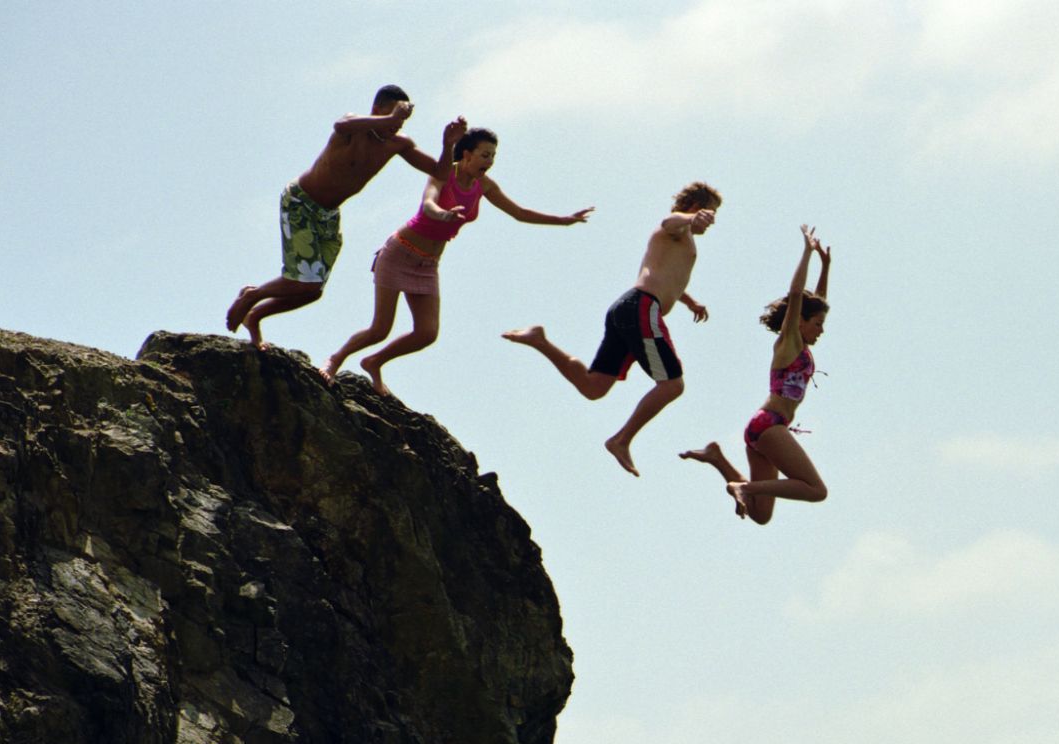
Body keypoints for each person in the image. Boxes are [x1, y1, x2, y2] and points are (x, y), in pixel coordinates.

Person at [321, 128, 591, 395]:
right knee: (380, 328)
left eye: (493, 156)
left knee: (427, 333)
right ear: (466, 154)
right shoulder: (444, 172)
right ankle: (334, 359)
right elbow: (428, 203)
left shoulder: (483, 185)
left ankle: (374, 362)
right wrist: (442, 214)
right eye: (485, 155)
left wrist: (564, 220)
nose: (490, 162)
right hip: (400, 252)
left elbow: (519, 212)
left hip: (427, 265)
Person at [502, 182, 722, 476]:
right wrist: (690, 219)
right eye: (711, 213)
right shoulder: (675, 228)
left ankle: (540, 340)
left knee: (594, 388)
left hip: (629, 309)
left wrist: (689, 301)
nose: (712, 221)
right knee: (672, 384)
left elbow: (667, 275)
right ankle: (621, 440)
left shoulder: (681, 242)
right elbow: (670, 221)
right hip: (642, 308)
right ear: (696, 208)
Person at [227, 87, 465, 348]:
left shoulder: (398, 143)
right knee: (301, 280)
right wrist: (390, 118)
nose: (397, 125)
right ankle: (253, 295)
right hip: (301, 202)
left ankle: (256, 314)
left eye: (402, 120)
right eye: (393, 115)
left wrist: (448, 144)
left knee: (311, 291)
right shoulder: (355, 128)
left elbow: (440, 173)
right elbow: (340, 123)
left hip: (328, 215)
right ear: (377, 110)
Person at [679, 225, 831, 525]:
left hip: (762, 427)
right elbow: (798, 296)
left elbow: (815, 302)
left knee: (761, 515)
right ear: (799, 322)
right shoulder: (789, 341)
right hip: (770, 426)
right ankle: (742, 486)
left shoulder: (802, 340)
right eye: (817, 324)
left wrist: (825, 266)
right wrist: (806, 253)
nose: (821, 330)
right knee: (816, 490)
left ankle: (717, 459)